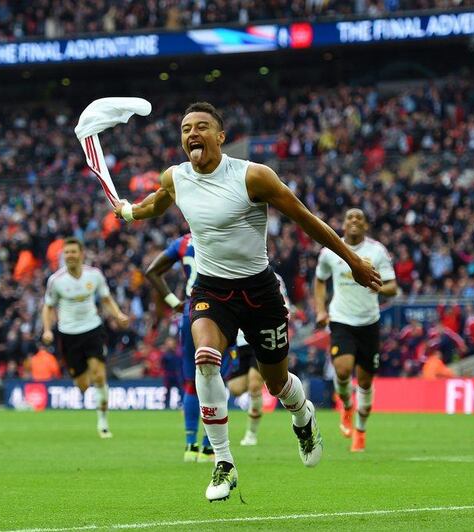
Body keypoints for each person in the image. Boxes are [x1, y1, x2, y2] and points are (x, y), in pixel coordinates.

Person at [111, 102, 381, 501]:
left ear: (221, 137)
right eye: (186, 129)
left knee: (276, 383)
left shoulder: (253, 176)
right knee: (205, 358)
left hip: (259, 292)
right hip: (210, 290)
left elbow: (306, 219)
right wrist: (130, 212)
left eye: (202, 127)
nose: (192, 134)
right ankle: (224, 462)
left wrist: (353, 260)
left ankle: (303, 416)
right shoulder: (176, 177)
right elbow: (157, 201)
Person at [314, 208, 397, 452]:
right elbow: (319, 279)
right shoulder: (330, 250)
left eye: (359, 218)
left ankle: (360, 431)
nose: (354, 221)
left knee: (365, 381)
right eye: (350, 217)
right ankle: (346, 405)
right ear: (343, 223)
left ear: (366, 225)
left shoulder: (377, 251)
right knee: (342, 369)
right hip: (341, 319)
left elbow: (393, 287)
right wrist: (320, 309)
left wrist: (377, 286)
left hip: (369, 322)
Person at [42, 237, 129, 439]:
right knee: (82, 385)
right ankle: (87, 380)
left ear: (82, 254)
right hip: (69, 334)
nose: (70, 256)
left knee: (99, 375)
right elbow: (48, 306)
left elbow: (106, 298)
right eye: (67, 253)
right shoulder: (56, 280)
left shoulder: (94, 275)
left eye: (73, 252)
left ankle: (103, 422)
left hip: (92, 329)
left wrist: (118, 315)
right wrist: (47, 329)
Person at [144, 232, 220, 463]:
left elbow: (152, 272)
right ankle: (208, 448)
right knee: (215, 379)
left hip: (191, 310)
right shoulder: (224, 232)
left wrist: (174, 303)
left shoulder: (183, 242)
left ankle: (190, 446)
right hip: (220, 310)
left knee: (191, 382)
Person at [227, 272, 290, 447]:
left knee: (255, 385)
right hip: (239, 341)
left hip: (261, 335)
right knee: (236, 388)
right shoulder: (229, 273)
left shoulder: (274, 278)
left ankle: (251, 434)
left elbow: (285, 304)